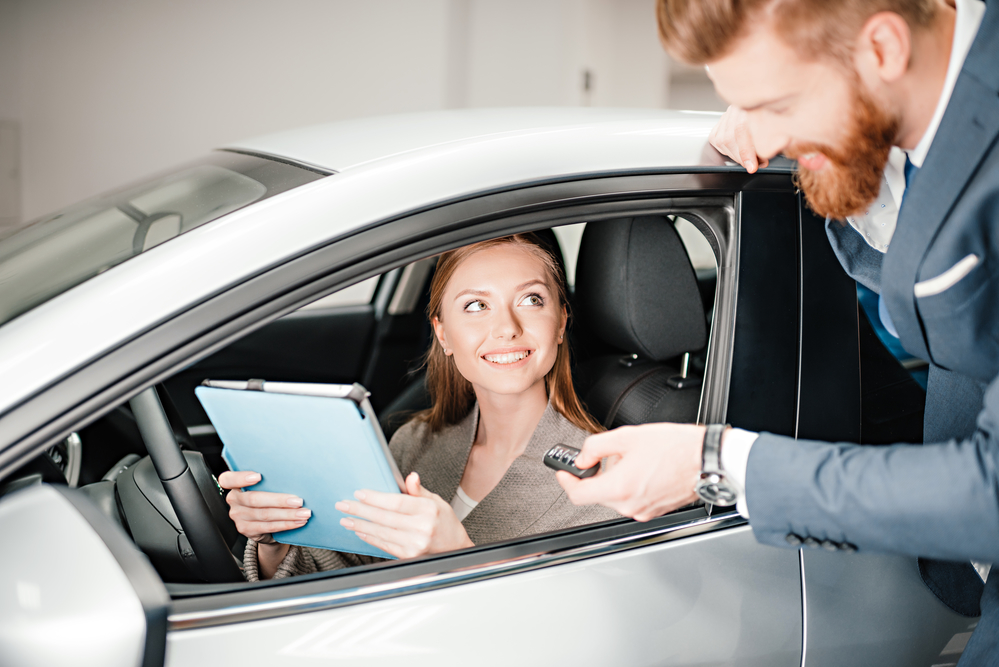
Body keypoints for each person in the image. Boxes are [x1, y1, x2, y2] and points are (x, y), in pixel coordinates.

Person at [557, 0, 999, 661]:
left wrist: (715, 459)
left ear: (881, 47)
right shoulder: (918, 112)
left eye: (776, 106)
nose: (762, 144)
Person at [219, 233, 618, 581]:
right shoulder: (414, 443)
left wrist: (459, 557)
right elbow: (352, 570)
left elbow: (572, 633)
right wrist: (275, 541)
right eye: (476, 306)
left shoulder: (605, 483)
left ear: (561, 322)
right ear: (443, 333)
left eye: (531, 299)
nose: (506, 328)